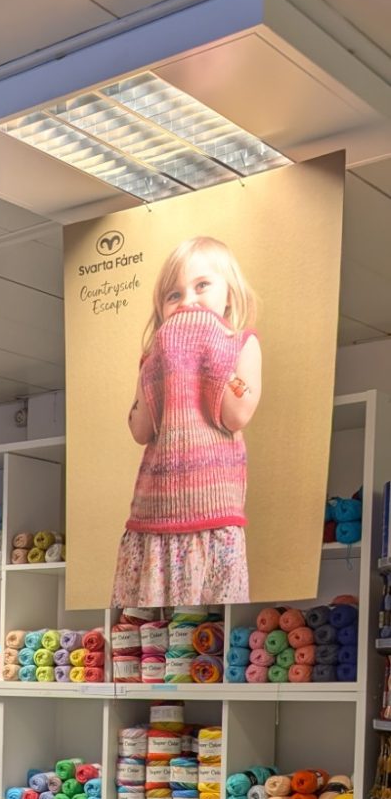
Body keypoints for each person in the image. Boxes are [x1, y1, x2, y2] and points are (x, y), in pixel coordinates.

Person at [111, 236, 262, 607]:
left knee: (207, 626)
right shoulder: (155, 355)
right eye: (173, 295)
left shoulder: (241, 343)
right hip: (154, 519)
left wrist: (207, 344)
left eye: (202, 286)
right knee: (149, 629)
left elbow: (237, 413)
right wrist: (157, 363)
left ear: (230, 295)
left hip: (213, 518)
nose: (187, 301)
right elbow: (140, 429)